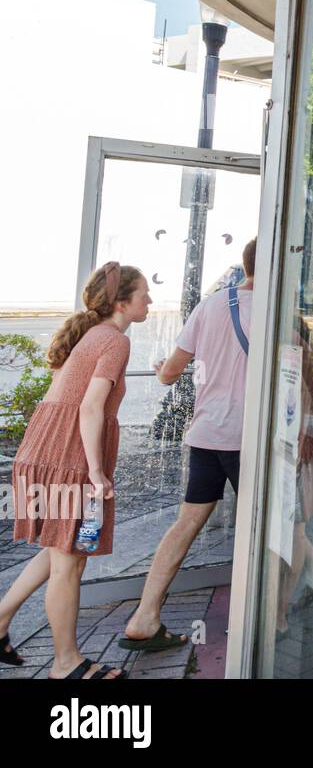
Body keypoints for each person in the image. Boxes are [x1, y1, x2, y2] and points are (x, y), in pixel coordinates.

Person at [0, 261, 150, 679]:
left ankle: (0, 621)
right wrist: (97, 471)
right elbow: (89, 407)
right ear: (123, 303)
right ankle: (65, 664)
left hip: (44, 447)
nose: (150, 300)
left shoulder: (90, 333)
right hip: (68, 455)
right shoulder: (115, 341)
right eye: (143, 294)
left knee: (60, 550)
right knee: (70, 563)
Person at [119, 239, 256, 652]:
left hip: (207, 436)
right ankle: (276, 619)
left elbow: (171, 373)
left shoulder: (213, 304)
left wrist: (163, 369)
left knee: (187, 523)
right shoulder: (275, 311)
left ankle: (145, 615)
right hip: (246, 438)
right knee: (285, 527)